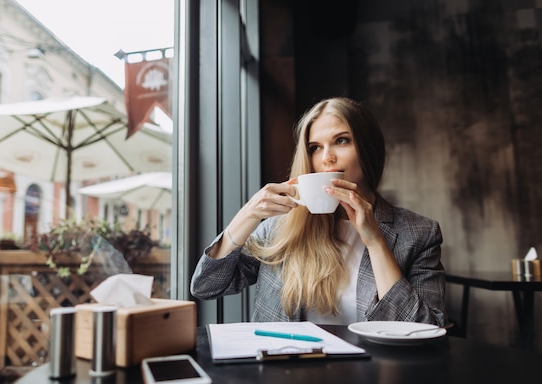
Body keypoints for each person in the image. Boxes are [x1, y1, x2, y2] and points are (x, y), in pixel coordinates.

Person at [190, 97, 446, 325]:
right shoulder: (281, 226)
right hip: (285, 372)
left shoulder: (419, 233)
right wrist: (248, 214)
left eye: (341, 141)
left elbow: (424, 329)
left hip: (372, 374)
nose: (327, 158)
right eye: (315, 148)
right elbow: (207, 287)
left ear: (369, 149)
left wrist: (375, 241)